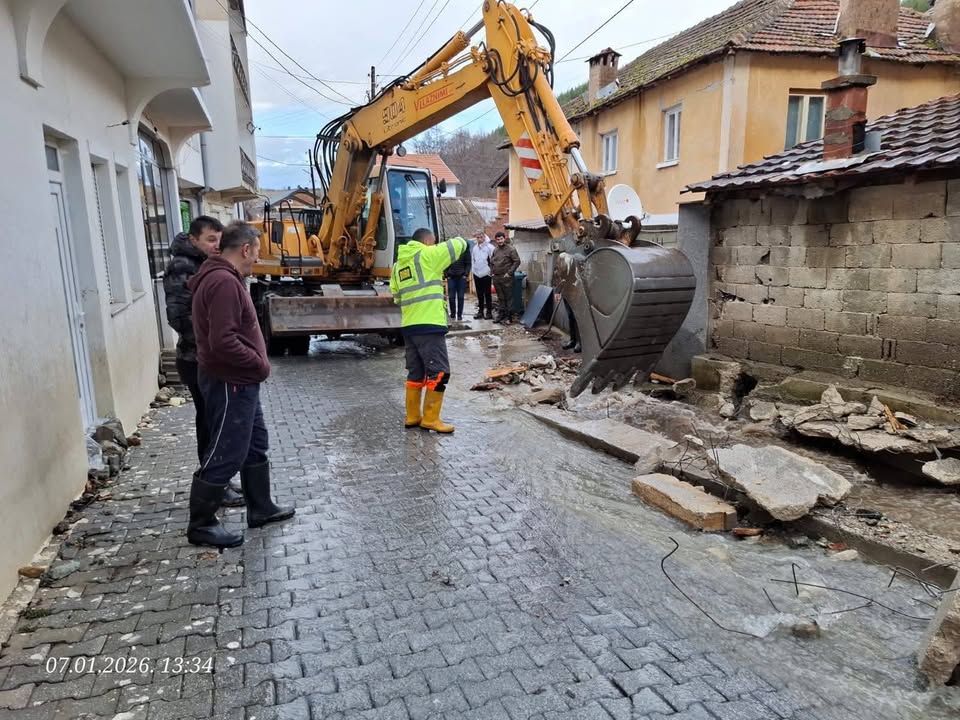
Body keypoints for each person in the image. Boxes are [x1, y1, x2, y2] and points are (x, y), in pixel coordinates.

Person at [186, 221, 295, 548]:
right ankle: (201, 523)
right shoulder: (223, 283)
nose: (256, 260)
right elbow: (223, 342)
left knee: (254, 442)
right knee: (227, 449)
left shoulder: (224, 278)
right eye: (257, 252)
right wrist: (259, 363)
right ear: (245, 249)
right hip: (230, 381)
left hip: (239, 381)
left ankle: (260, 507)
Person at [163, 217, 244, 508]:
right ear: (194, 239)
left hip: (210, 358)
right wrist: (214, 345)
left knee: (216, 422)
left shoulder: (209, 265)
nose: (216, 245)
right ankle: (211, 488)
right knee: (210, 423)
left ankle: (219, 482)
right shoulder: (183, 267)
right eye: (210, 239)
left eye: (219, 240)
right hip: (197, 359)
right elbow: (180, 317)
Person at [390, 228, 468, 434]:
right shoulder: (428, 255)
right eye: (433, 242)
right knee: (440, 372)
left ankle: (413, 416)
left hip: (409, 326)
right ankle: (431, 419)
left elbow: (396, 296)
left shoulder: (398, 265)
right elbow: (459, 243)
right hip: (429, 325)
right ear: (428, 241)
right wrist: (465, 238)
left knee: (416, 372)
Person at [489, 231, 521, 324]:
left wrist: (509, 273)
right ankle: (501, 315)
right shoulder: (495, 250)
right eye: (498, 239)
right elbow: (491, 262)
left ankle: (509, 317)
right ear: (496, 240)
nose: (500, 241)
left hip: (506, 277)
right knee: (500, 297)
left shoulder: (511, 249)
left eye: (501, 239)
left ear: (504, 238)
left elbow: (517, 261)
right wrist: (492, 272)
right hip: (497, 277)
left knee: (508, 298)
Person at [444, 234, 472, 321]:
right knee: (451, 297)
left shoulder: (465, 251)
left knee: (460, 297)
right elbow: (445, 263)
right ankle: (452, 314)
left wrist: (465, 274)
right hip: (451, 278)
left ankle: (459, 315)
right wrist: (446, 274)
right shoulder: (450, 252)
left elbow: (468, 264)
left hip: (461, 278)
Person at [470, 230, 495, 320]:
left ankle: (489, 312)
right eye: (477, 237)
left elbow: (493, 260)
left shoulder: (490, 247)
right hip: (477, 274)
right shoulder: (475, 248)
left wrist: (491, 271)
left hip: (486, 274)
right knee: (479, 294)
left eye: (481, 237)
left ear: (484, 237)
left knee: (487, 294)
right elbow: (473, 260)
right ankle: (480, 311)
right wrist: (473, 270)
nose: (479, 239)